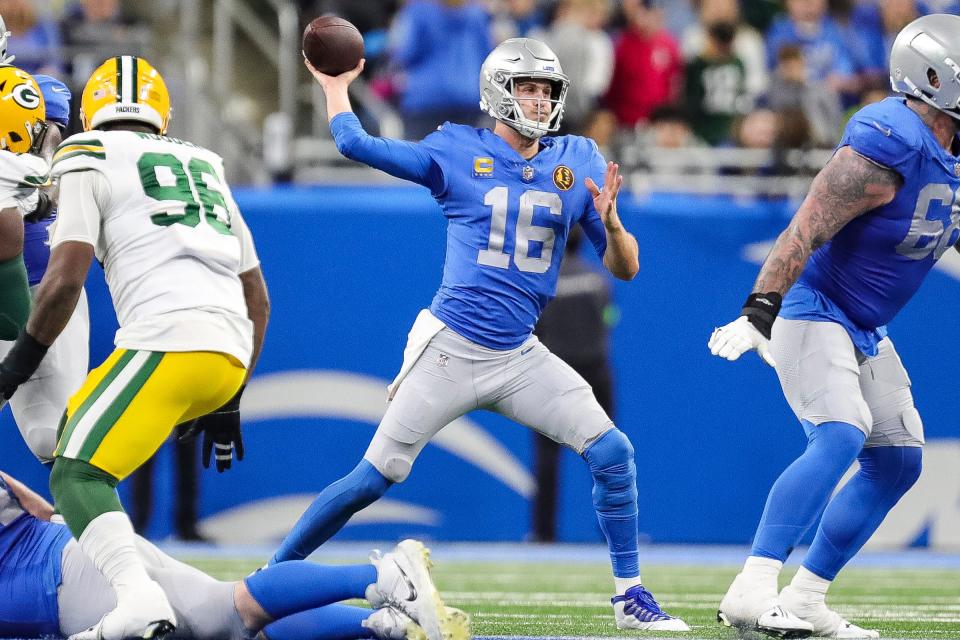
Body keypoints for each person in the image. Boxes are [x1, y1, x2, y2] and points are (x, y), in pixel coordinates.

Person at [272, 37, 689, 632]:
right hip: (449, 347)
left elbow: (626, 267)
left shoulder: (579, 160)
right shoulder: (455, 148)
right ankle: (272, 578)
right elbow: (353, 142)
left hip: (520, 353)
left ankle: (630, 597)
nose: (540, 100)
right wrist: (336, 85)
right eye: (528, 87)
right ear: (498, 91)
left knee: (613, 451)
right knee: (374, 477)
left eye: (547, 89)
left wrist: (615, 224)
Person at [0, 55, 271, 640]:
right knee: (73, 446)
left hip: (160, 339)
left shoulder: (84, 153)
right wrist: (231, 398)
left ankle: (139, 595)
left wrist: (15, 366)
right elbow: (259, 298)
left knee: (73, 467)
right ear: (162, 113)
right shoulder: (205, 161)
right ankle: (160, 585)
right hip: (225, 351)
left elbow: (65, 278)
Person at [707, 13, 959, 639]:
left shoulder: (950, 152)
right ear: (933, 77)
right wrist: (760, 308)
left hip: (865, 326)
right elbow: (808, 224)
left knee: (899, 461)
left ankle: (807, 596)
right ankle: (752, 586)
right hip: (815, 307)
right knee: (843, 432)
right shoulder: (890, 138)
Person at [0, 470, 467, 640]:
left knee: (230, 613)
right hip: (73, 547)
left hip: (57, 580)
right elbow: (37, 507)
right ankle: (382, 625)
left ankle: (382, 577)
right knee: (231, 622)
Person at [0, 67, 92, 464]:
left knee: (53, 437)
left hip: (36, 281)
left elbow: (55, 173)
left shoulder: (31, 94)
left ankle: (87, 525)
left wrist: (36, 194)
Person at [530, 226, 615, 542]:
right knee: (607, 455)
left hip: (553, 376)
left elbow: (534, 330)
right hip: (596, 375)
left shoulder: (542, 285)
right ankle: (615, 532)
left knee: (547, 457)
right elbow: (609, 319)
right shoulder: (598, 280)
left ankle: (542, 534)